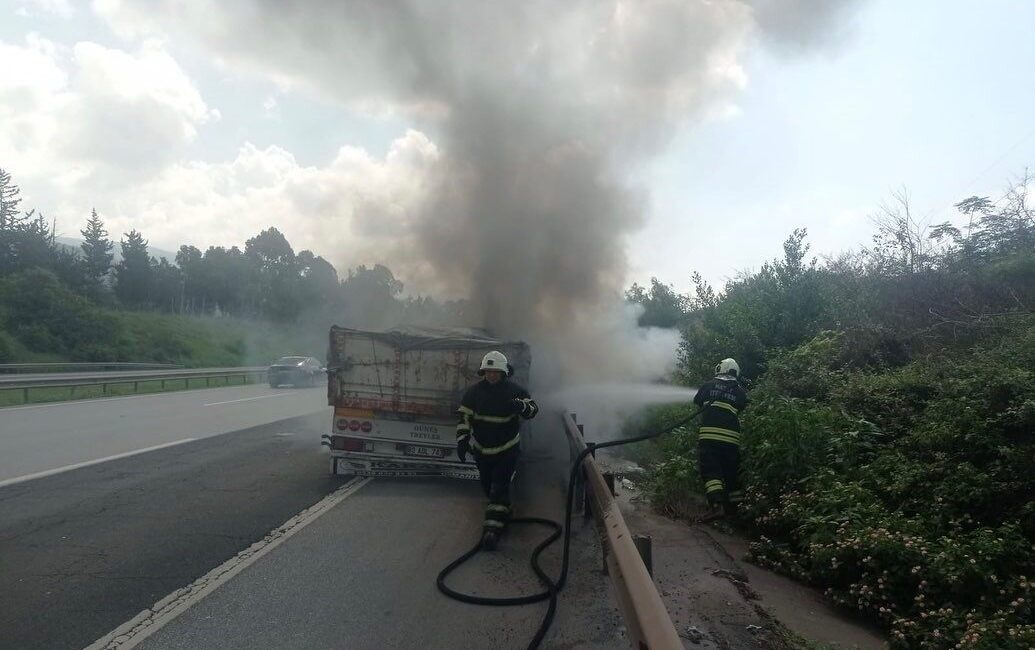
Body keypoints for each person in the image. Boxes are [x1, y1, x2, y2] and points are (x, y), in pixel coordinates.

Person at [456, 350, 539, 550]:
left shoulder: (515, 391)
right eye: (488, 371)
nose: (491, 375)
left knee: (498, 487)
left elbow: (533, 410)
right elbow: (464, 418)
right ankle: (504, 511)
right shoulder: (473, 393)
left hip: (507, 449)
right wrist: (462, 440)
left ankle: (491, 531)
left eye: (495, 372)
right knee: (487, 486)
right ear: (483, 372)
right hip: (482, 450)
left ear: (503, 373)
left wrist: (520, 406)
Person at [693, 357, 748, 522]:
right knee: (731, 474)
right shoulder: (740, 390)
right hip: (732, 439)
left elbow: (697, 400)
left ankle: (717, 507)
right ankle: (737, 512)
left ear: (720, 368)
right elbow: (742, 406)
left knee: (711, 471)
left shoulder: (709, 385)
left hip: (710, 436)